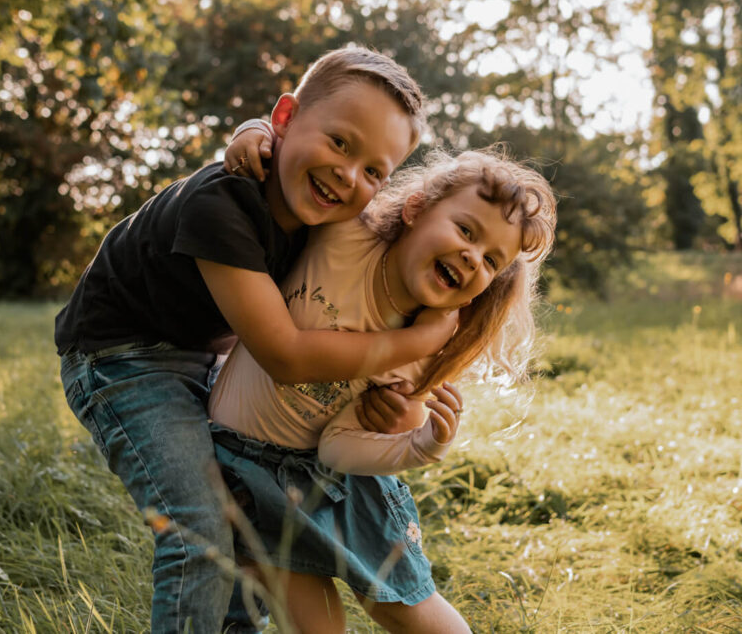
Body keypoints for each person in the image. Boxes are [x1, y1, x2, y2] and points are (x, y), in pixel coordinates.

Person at [54, 46, 460, 634]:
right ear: (288, 119)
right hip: (121, 358)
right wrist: (417, 342)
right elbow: (285, 356)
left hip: (205, 357)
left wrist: (393, 404)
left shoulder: (328, 215)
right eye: (341, 143)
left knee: (249, 511)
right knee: (200, 530)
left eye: (375, 170)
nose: (349, 176)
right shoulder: (222, 202)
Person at [210, 136, 558, 633]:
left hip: (331, 479)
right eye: (465, 229)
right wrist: (255, 136)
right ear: (416, 207)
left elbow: (336, 449)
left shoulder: (428, 342)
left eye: (490, 261)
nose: (471, 256)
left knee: (405, 606)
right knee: (315, 622)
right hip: (247, 472)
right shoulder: (348, 234)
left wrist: (421, 443)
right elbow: (307, 171)